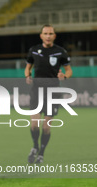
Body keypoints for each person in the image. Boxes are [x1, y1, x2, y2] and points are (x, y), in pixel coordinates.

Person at [25, 24, 72, 164]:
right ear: (41, 35)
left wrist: (65, 76)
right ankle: (35, 146)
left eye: (50, 33)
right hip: (36, 90)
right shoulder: (34, 51)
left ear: (54, 36)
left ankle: (41, 154)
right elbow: (28, 67)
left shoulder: (60, 52)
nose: (48, 36)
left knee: (46, 127)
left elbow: (69, 70)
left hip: (53, 92)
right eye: (45, 33)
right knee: (34, 125)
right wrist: (27, 76)